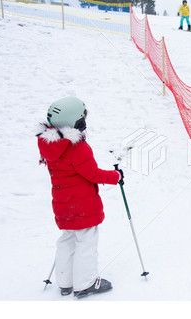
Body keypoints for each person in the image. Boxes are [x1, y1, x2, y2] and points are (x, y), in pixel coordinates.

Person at [37, 97, 123, 297]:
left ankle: (65, 282)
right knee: (86, 241)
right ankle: (85, 283)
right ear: (77, 122)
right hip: (82, 205)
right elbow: (93, 174)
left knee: (67, 238)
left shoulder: (49, 145)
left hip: (62, 205)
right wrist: (116, 176)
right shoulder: (77, 148)